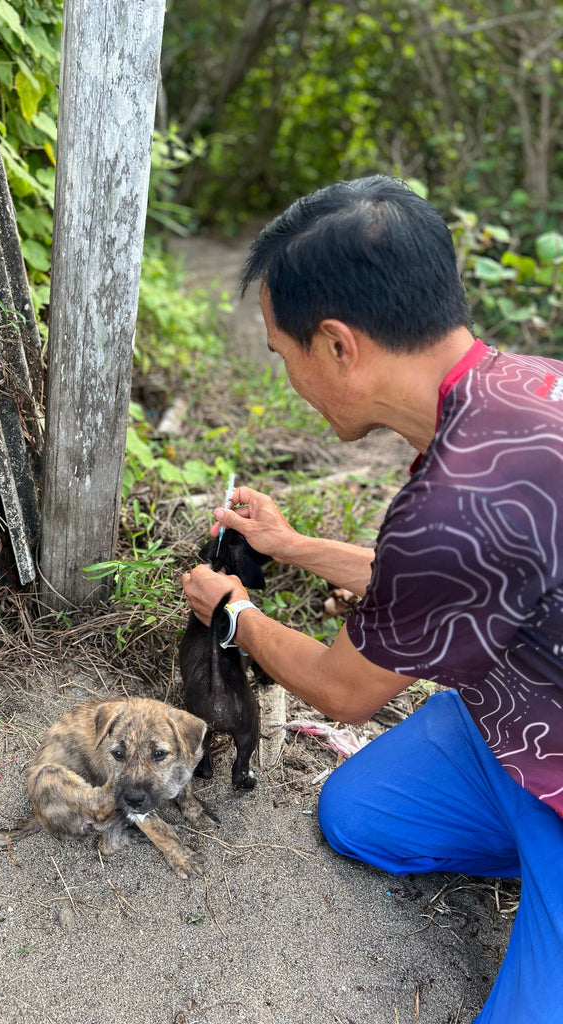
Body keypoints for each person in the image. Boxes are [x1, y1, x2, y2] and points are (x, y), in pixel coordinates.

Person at [180, 175, 563, 1024]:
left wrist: (231, 611)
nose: (290, 380)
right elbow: (452, 571)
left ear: (339, 345)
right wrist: (292, 547)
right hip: (525, 723)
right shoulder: (524, 388)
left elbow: (344, 690)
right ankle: (525, 854)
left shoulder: (452, 503)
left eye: (285, 356)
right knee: (359, 818)